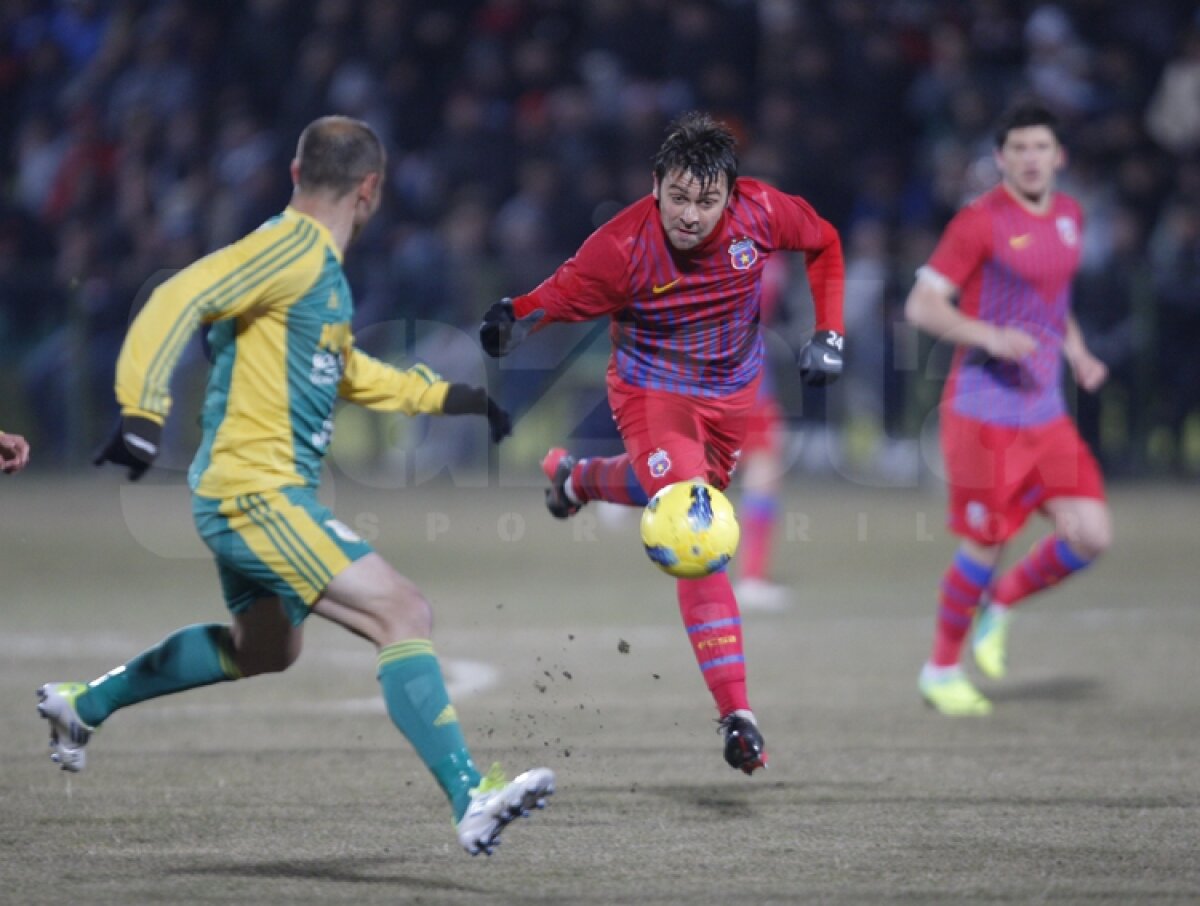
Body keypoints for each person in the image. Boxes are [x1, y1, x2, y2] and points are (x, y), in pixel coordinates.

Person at [36, 116, 553, 856]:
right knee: (402, 611)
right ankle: (470, 796)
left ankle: (85, 703)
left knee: (265, 652)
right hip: (256, 494)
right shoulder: (291, 248)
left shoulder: (317, 274)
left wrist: (448, 399)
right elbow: (176, 296)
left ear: (294, 170)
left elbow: (346, 371)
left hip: (244, 495)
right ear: (370, 189)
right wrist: (143, 411)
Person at [480, 112, 846, 774]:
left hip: (733, 395)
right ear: (654, 186)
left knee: (682, 492)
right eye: (677, 195)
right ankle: (738, 714)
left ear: (731, 197)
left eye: (707, 201)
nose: (690, 214)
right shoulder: (622, 246)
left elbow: (825, 243)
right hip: (654, 392)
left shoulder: (763, 212)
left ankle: (580, 480)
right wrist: (514, 319)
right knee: (692, 524)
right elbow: (557, 296)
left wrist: (831, 333)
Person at [904, 102, 1112, 716]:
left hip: (1044, 412)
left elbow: (1052, 300)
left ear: (1059, 156)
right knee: (984, 544)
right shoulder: (979, 222)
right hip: (983, 410)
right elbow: (922, 306)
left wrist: (1078, 352)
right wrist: (990, 337)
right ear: (1000, 158)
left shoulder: (1071, 216)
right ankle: (939, 670)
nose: (1029, 158)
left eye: (1040, 147)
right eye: (1017, 148)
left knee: (1092, 534)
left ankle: (1003, 603)